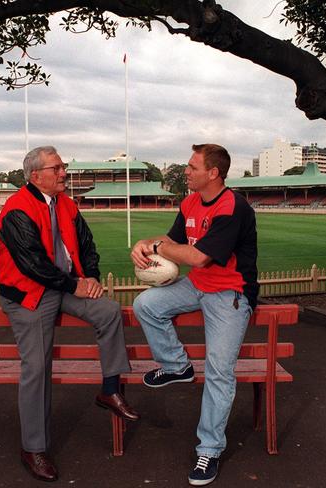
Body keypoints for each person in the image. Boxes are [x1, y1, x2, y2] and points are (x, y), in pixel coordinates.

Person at [0, 146, 138, 482]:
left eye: (63, 166)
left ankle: (109, 389)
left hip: (61, 286)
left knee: (107, 311)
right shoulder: (16, 209)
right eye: (57, 168)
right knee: (37, 366)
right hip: (29, 292)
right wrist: (72, 285)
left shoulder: (66, 204)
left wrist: (89, 277)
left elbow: (86, 244)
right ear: (36, 175)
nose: (64, 172)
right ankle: (33, 447)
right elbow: (32, 263)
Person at [131, 144, 258, 487]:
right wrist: (145, 241)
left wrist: (159, 249)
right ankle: (176, 366)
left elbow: (200, 257)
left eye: (191, 167)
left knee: (219, 371)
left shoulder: (233, 206)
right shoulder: (189, 202)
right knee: (146, 305)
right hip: (197, 285)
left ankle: (210, 449)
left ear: (212, 173)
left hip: (229, 293)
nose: (185, 171)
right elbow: (172, 240)